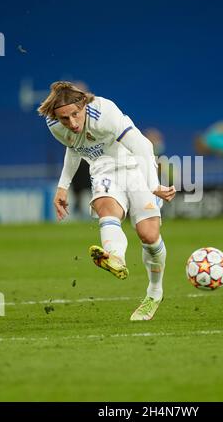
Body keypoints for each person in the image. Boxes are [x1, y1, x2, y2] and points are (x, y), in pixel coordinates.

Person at [38, 81, 176, 321]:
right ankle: (115, 257)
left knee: (149, 236)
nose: (72, 123)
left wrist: (153, 185)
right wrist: (63, 187)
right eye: (64, 119)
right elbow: (74, 147)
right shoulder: (54, 124)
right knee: (106, 208)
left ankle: (154, 292)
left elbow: (143, 145)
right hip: (103, 170)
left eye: (75, 115)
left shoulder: (104, 112)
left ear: (83, 105)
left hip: (135, 165)